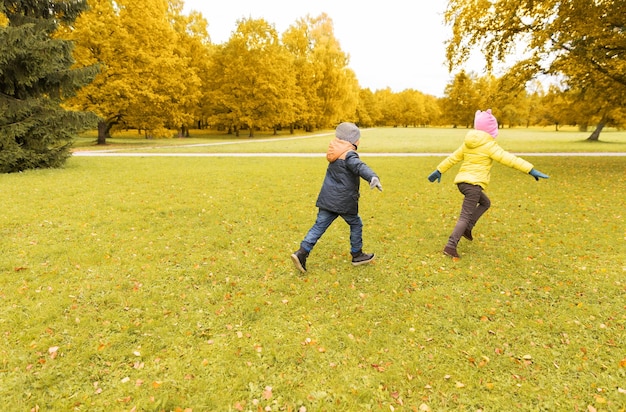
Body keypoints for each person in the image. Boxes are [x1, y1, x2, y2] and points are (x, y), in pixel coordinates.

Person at [427, 109, 549, 259]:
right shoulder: (490, 145)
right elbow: (509, 159)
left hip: (463, 183)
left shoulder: (468, 143)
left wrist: (439, 170)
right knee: (465, 216)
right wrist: (530, 170)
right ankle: (450, 246)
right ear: (492, 130)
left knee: (486, 203)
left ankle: (468, 228)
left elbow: (453, 158)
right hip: (473, 185)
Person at [291, 122, 383, 273]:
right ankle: (357, 254)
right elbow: (360, 166)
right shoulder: (349, 154)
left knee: (319, 226)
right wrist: (372, 177)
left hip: (328, 199)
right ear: (353, 140)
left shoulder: (334, 152)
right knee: (356, 224)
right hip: (344, 201)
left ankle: (301, 252)